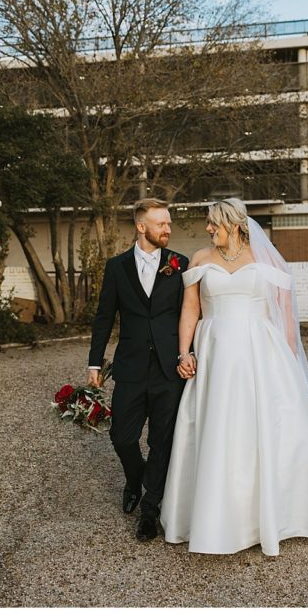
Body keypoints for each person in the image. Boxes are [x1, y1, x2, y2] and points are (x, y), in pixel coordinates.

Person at [160, 198, 308, 555]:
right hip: (215, 356)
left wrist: (288, 358)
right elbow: (190, 310)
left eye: (214, 223)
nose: (208, 229)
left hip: (261, 353)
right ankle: (219, 517)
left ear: (234, 224)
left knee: (270, 429)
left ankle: (278, 513)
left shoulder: (266, 259)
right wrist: (185, 353)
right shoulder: (200, 260)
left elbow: (286, 314)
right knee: (219, 428)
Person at [87, 198, 190, 542]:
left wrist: (188, 354)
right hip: (130, 366)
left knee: (163, 440)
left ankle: (150, 509)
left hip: (168, 369)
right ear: (141, 226)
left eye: (169, 223)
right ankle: (135, 478)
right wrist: (94, 362)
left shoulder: (180, 264)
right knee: (122, 436)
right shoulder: (116, 267)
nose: (168, 229)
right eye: (162, 224)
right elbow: (104, 317)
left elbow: (190, 315)